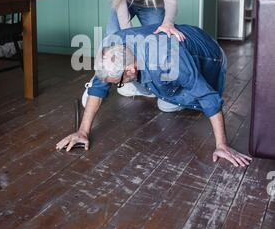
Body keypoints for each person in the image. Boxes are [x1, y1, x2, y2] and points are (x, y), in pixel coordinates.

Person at [56, 24, 252, 168]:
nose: (115, 84)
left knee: (175, 101)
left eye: (121, 80)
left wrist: (222, 145)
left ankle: (161, 90)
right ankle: (156, 90)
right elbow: (99, 87)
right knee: (163, 100)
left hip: (211, 58)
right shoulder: (113, 46)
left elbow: (208, 97)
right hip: (153, 69)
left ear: (131, 70)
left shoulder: (169, 59)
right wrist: (82, 131)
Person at [82, 0, 185, 105]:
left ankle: (150, 85)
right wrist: (127, 42)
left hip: (153, 6)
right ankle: (97, 84)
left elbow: (171, 2)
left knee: (155, 43)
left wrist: (168, 23)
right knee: (113, 36)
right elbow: (124, 23)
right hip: (127, 4)